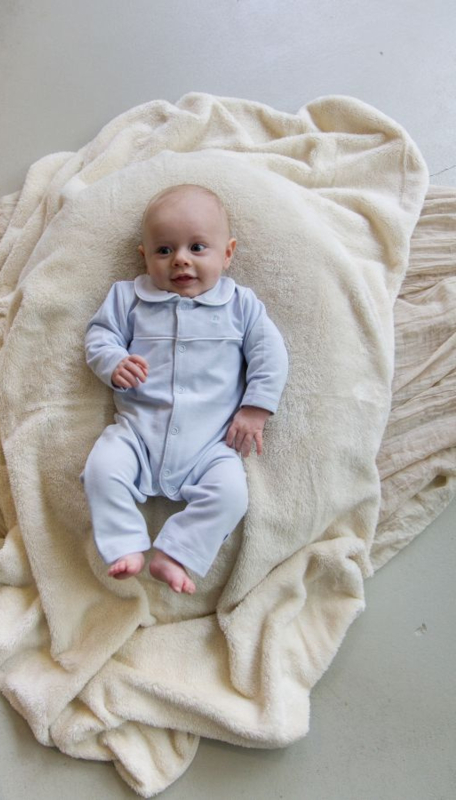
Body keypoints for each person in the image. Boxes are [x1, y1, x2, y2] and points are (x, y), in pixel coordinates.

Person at [83, 184, 288, 594]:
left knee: (231, 495)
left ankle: (176, 553)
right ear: (144, 256)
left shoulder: (241, 305)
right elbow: (99, 336)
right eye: (164, 250)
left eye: (197, 247)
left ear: (227, 253)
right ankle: (124, 543)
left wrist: (256, 409)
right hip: (138, 433)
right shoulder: (128, 298)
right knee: (101, 470)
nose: (180, 259)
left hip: (211, 442)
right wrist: (113, 362)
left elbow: (270, 354)